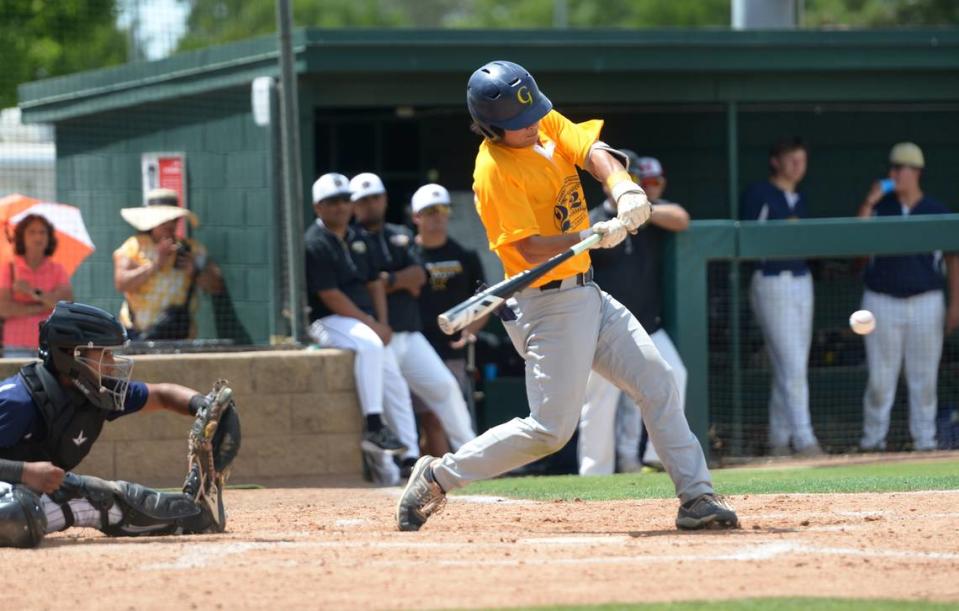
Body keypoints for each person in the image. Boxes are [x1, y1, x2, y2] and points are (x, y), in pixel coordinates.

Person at [396, 60, 738, 532]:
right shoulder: (493, 170)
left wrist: (624, 190)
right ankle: (436, 475)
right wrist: (590, 233)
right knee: (550, 431)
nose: (532, 124)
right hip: (546, 306)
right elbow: (525, 246)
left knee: (657, 380)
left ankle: (697, 498)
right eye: (518, 124)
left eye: (533, 113)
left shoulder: (540, 122)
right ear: (493, 128)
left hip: (589, 295)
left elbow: (593, 149)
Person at [0, 301, 241, 548]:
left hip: (23, 492)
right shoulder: (18, 401)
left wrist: (203, 406)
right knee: (17, 513)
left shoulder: (92, 392)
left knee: (97, 499)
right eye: (104, 354)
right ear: (73, 355)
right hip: (11, 490)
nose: (113, 363)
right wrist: (23, 472)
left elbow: (161, 395)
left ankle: (196, 515)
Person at [351, 173, 476, 467]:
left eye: (376, 198)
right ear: (354, 205)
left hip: (410, 332)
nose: (371, 204)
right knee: (394, 401)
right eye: (363, 200)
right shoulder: (352, 240)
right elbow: (369, 285)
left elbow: (419, 277)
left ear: (385, 200)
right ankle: (398, 467)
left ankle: (473, 456)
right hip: (380, 335)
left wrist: (388, 279)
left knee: (445, 387)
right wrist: (393, 281)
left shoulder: (399, 234)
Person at [577, 154, 690, 475]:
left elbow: (682, 218)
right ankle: (594, 474)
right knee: (600, 400)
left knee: (674, 374)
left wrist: (642, 210)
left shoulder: (647, 216)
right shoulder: (594, 219)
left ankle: (657, 456)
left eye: (633, 180)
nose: (630, 185)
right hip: (603, 329)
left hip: (647, 325)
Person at [304, 172, 416, 485]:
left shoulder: (357, 237)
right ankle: (374, 423)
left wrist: (382, 323)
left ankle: (409, 458)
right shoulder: (315, 242)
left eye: (344, 201)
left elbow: (373, 284)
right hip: (327, 321)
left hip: (362, 321)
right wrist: (371, 325)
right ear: (318, 207)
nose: (340, 207)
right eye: (331, 202)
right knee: (369, 344)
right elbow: (330, 296)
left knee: (393, 379)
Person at [856, 142, 959, 452]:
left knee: (924, 379)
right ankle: (872, 443)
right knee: (880, 380)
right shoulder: (880, 208)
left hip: (926, 301)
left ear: (916, 172)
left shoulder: (935, 210)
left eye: (901, 168)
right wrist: (870, 201)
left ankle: (925, 444)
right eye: (893, 168)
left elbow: (953, 260)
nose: (895, 173)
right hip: (881, 301)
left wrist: (956, 304)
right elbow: (857, 252)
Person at [740, 137, 823, 457]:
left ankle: (779, 440)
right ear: (776, 161)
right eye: (791, 159)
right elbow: (750, 239)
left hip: (802, 280)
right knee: (791, 363)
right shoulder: (760, 193)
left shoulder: (798, 198)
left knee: (791, 364)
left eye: (801, 160)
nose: (797, 166)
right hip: (772, 281)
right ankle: (805, 440)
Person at [410, 183, 488, 409]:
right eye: (431, 211)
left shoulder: (465, 255)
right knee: (424, 415)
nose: (438, 217)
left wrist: (470, 330)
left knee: (449, 413)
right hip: (417, 348)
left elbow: (485, 299)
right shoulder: (406, 256)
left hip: (452, 350)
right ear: (417, 216)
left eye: (444, 210)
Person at [113, 188, 224, 340]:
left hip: (178, 335)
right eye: (163, 220)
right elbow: (121, 283)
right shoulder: (133, 247)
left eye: (173, 219)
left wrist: (195, 271)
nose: (169, 225)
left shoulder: (192, 249)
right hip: (137, 335)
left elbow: (216, 286)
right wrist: (155, 265)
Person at [0, 214, 73, 357]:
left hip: (51, 343)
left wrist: (31, 292)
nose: (37, 237)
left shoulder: (58, 269)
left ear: (49, 237)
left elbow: (65, 305)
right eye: (32, 232)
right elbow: (3, 309)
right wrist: (44, 305)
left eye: (42, 232)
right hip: (16, 345)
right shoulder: (8, 269)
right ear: (22, 237)